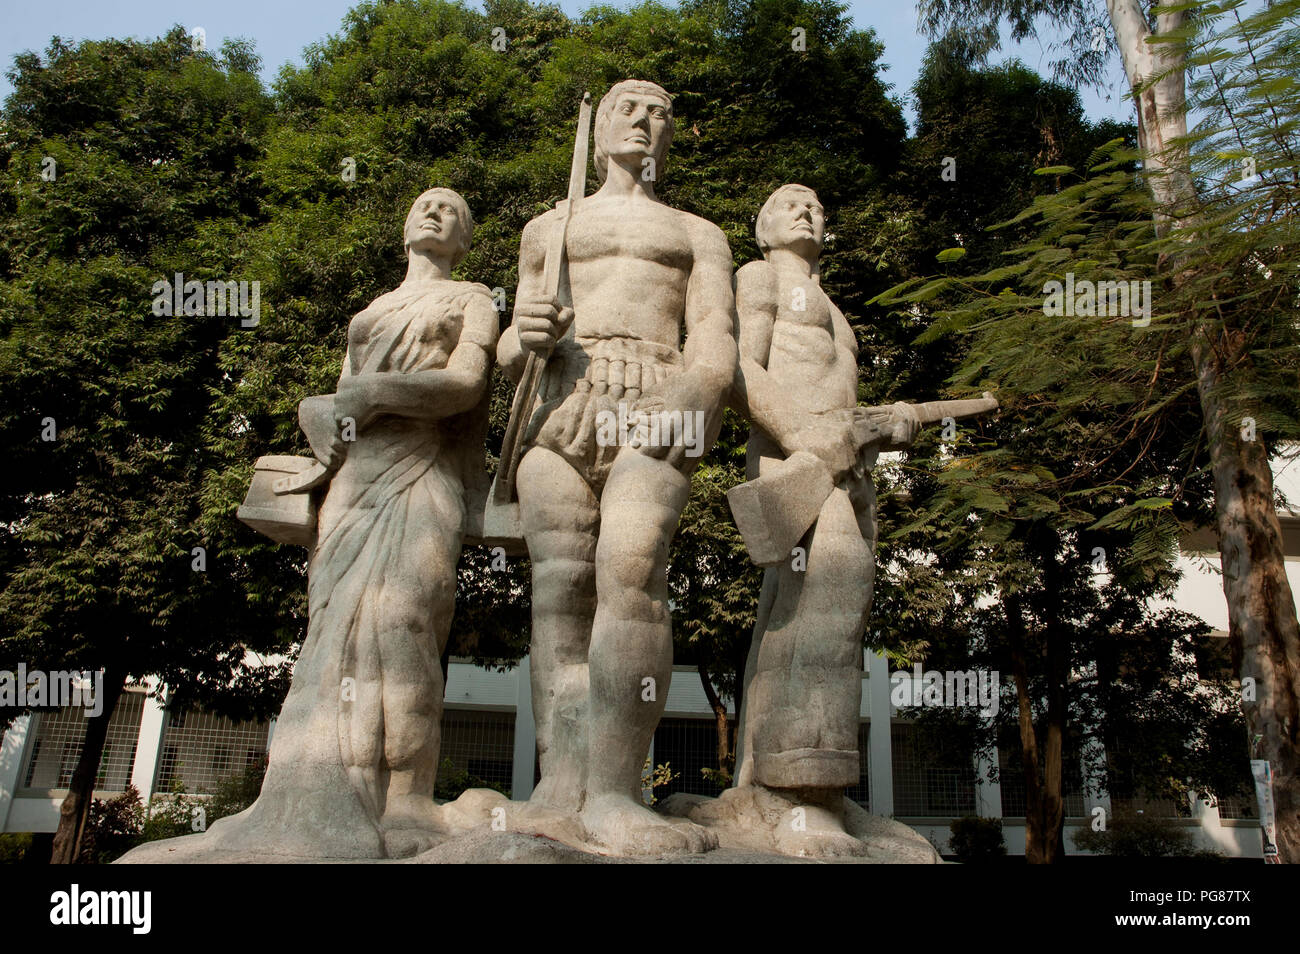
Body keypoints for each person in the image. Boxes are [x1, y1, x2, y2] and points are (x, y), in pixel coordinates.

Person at [208, 187, 497, 858]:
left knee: (406, 622)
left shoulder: (473, 299)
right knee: (331, 624)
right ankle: (313, 786)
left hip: (422, 468)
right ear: (403, 227)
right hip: (354, 479)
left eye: (451, 209)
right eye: (425, 203)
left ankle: (407, 799)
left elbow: (465, 387)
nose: (435, 212)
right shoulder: (368, 314)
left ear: (465, 239)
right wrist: (323, 414)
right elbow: (340, 407)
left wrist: (368, 395)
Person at [497, 80, 737, 856]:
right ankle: (560, 783)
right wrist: (525, 333)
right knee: (560, 588)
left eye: (660, 111)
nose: (645, 120)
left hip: (658, 399)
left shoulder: (699, 233)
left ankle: (614, 789)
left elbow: (716, 337)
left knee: (631, 571)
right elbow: (507, 347)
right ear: (600, 129)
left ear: (672, 134)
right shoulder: (550, 226)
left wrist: (698, 398)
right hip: (559, 402)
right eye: (628, 109)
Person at [730, 184, 917, 855]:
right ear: (762, 228)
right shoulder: (758, 277)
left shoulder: (838, 311)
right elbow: (740, 366)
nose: (805, 209)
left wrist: (889, 425)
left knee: (809, 610)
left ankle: (800, 785)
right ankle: (798, 795)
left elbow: (845, 399)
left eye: (815, 205)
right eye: (788, 204)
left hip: (851, 469)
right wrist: (806, 437)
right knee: (830, 592)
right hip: (795, 457)